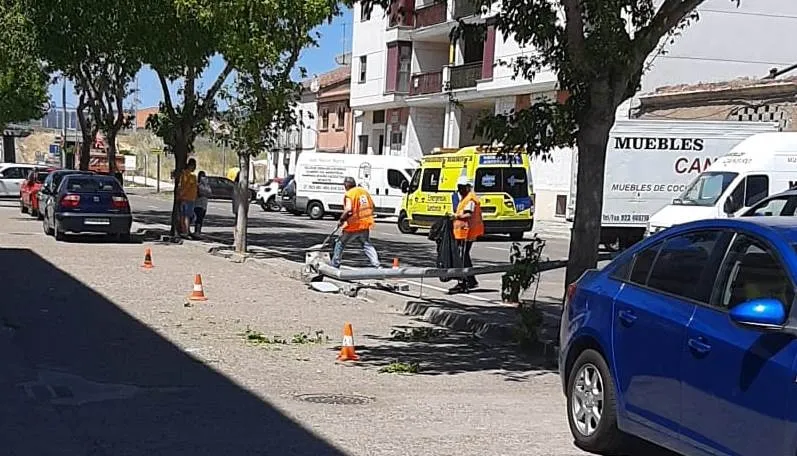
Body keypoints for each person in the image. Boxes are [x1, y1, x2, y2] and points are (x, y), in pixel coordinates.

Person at [330, 176, 381, 268]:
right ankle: (376, 264)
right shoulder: (364, 192)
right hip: (365, 223)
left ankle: (335, 264)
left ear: (346, 185)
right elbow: (373, 205)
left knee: (340, 243)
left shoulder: (350, 194)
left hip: (354, 224)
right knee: (367, 244)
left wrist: (341, 220)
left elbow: (348, 209)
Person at [449, 176, 484, 294]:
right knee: (464, 256)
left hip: (467, 232)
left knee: (462, 257)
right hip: (464, 232)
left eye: (462, 187)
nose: (460, 190)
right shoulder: (465, 198)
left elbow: (468, 214)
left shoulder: (470, 200)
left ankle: (465, 281)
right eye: (459, 187)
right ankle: (470, 280)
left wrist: (455, 216)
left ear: (468, 188)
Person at [177, 158, 198, 238]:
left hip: (184, 198)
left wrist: (180, 195)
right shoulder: (191, 177)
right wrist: (182, 194)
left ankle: (185, 230)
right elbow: (187, 187)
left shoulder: (183, 174)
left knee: (183, 215)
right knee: (187, 216)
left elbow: (181, 186)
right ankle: (186, 231)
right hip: (189, 198)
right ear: (191, 166)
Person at [194, 171, 212, 236]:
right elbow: (199, 193)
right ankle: (196, 231)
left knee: (201, 218)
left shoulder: (207, 185)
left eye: (204, 176)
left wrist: (205, 192)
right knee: (198, 218)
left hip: (204, 204)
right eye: (202, 176)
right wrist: (205, 193)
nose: (203, 178)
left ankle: (199, 231)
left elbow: (210, 193)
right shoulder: (197, 184)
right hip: (198, 204)